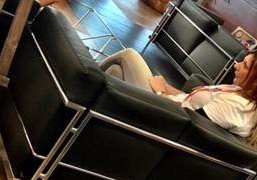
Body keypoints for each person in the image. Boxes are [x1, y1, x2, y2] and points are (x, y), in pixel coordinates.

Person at [98, 48, 257, 144]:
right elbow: (188, 99)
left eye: (245, 66)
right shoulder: (238, 90)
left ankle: (88, 75)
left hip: (160, 118)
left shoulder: (237, 107)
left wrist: (160, 92)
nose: (236, 65)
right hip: (164, 106)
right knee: (115, 71)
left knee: (128, 55)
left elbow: (185, 121)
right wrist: (165, 86)